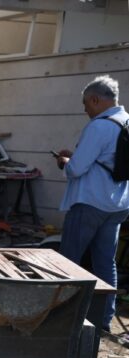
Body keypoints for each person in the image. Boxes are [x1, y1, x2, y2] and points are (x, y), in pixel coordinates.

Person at [56, 75, 129, 332]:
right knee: (106, 263)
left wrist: (66, 162)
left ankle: (63, 320)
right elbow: (109, 160)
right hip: (118, 205)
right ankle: (104, 321)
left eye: (86, 104)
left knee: (68, 262)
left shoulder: (99, 126)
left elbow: (76, 169)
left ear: (96, 100)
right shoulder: (126, 121)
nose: (85, 109)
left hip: (90, 202)